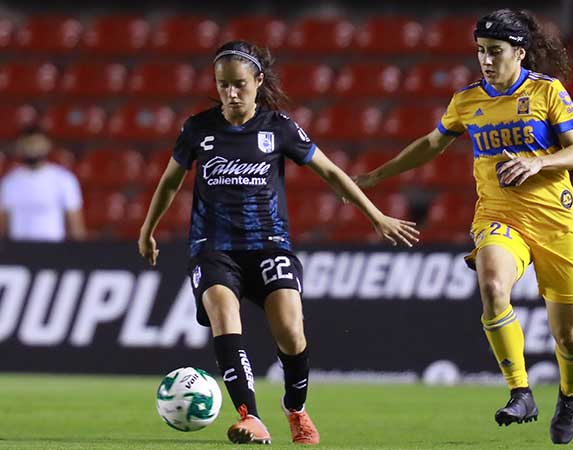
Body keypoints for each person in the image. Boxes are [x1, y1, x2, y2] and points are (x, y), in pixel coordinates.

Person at [138, 40, 419, 445]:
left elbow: (332, 172)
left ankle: (296, 409)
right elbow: (170, 181)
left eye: (239, 85)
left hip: (269, 245)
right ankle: (250, 417)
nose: (231, 94)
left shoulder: (279, 127)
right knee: (222, 313)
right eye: (223, 86)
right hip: (213, 246)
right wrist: (148, 229)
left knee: (290, 331)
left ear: (257, 81)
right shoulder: (198, 128)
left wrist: (376, 216)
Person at [355, 9, 573, 445]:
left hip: (557, 222)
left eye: (495, 52)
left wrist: (538, 161)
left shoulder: (547, 92)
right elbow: (431, 144)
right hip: (499, 216)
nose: (485, 60)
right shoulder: (467, 100)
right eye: (481, 51)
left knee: (570, 338)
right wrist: (376, 177)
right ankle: (520, 392)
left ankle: (570, 395)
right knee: (492, 287)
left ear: (519, 53)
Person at [0, 129, 85, 242]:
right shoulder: (9, 183)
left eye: (36, 143)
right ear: (19, 147)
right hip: (19, 251)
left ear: (47, 145)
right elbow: (2, 224)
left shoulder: (64, 180)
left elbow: (76, 225)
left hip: (53, 251)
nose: (33, 149)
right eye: (28, 144)